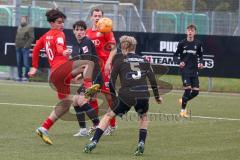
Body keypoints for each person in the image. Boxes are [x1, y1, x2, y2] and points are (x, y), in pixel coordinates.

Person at [83, 35, 163, 156]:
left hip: (126, 95)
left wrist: (113, 97)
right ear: (134, 47)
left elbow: (111, 82)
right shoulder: (145, 61)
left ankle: (94, 141)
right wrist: (157, 97)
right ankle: (141, 142)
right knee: (143, 117)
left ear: (124, 48)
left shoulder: (120, 61)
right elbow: (153, 81)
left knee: (108, 115)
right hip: (142, 95)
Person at [28, 9, 98, 145]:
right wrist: (62, 51)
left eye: (63, 22)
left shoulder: (45, 36)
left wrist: (34, 66)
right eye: (59, 22)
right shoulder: (59, 34)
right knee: (88, 63)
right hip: (61, 69)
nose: (62, 25)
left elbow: (36, 49)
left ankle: (44, 128)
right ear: (52, 23)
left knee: (66, 104)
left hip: (54, 76)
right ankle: (89, 88)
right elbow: (60, 45)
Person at [74, 8, 117, 136]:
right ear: (91, 17)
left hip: (105, 69)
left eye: (99, 15)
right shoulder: (86, 33)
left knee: (109, 96)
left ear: (102, 17)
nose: (97, 17)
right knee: (91, 96)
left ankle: (112, 125)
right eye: (95, 15)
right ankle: (96, 125)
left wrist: (109, 62)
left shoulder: (105, 30)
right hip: (93, 70)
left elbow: (114, 49)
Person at [71, 20, 102, 137]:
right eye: (77, 30)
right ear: (74, 31)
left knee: (81, 100)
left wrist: (81, 76)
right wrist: (80, 75)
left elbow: (88, 62)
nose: (79, 32)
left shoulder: (85, 42)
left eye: (81, 30)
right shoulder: (82, 43)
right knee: (75, 101)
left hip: (94, 76)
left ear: (85, 31)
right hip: (89, 75)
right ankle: (83, 130)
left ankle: (99, 125)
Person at [173, 24, 204, 118]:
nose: (190, 32)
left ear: (195, 32)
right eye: (189, 30)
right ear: (186, 32)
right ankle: (183, 111)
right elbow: (175, 56)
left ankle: (183, 100)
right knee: (188, 89)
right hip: (185, 70)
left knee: (196, 92)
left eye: (192, 30)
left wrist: (201, 63)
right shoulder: (182, 43)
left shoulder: (198, 43)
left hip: (194, 70)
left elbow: (201, 55)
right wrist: (179, 62)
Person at [15, 16, 34, 81]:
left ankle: (26, 77)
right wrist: (16, 45)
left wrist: (26, 46)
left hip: (25, 48)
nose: (22, 20)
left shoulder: (29, 27)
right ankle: (19, 76)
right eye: (21, 19)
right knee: (18, 63)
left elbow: (32, 38)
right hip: (18, 48)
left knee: (26, 63)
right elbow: (17, 36)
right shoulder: (19, 27)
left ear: (26, 20)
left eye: (23, 19)